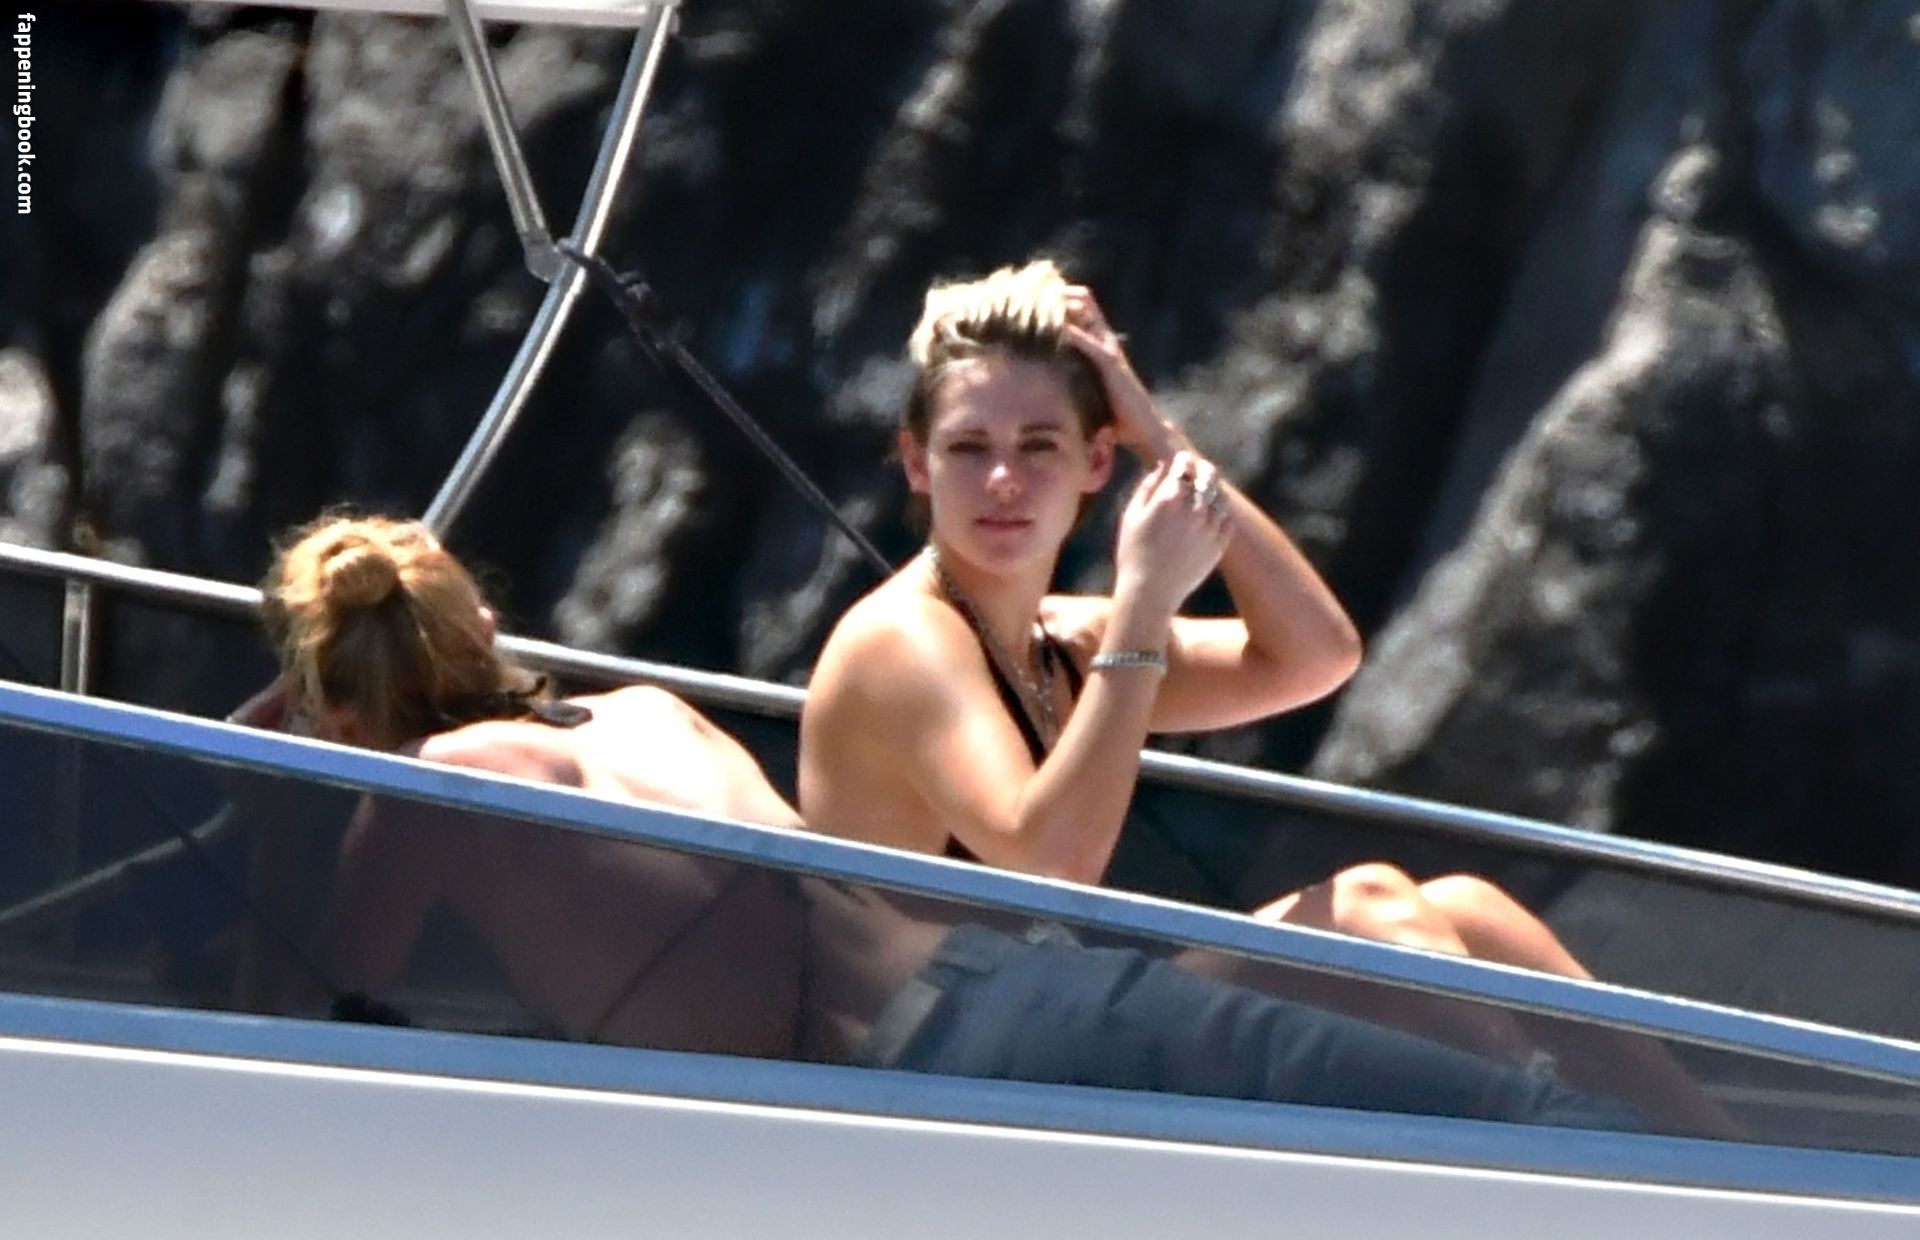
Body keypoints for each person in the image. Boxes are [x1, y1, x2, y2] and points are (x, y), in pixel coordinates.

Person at [235, 511, 1646, 1135]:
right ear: (483, 623)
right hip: (998, 985)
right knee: (1489, 1111)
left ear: (333, 710)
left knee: (1473, 1121)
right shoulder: (648, 711)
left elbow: (291, 1009)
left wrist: (269, 776)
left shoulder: (435, 795)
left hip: (939, 1075)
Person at [796, 261, 1742, 1136]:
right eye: (968, 448)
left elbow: (1316, 656)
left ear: (1096, 462)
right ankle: (1573, 1150)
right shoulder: (906, 639)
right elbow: (1049, 864)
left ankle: (1735, 1165)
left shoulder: (1059, 640)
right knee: (1370, 905)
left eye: (1039, 445)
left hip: (1057, 1012)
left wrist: (1161, 438)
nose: (1003, 480)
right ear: (916, 463)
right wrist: (1143, 605)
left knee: (1473, 910)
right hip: (929, 1054)